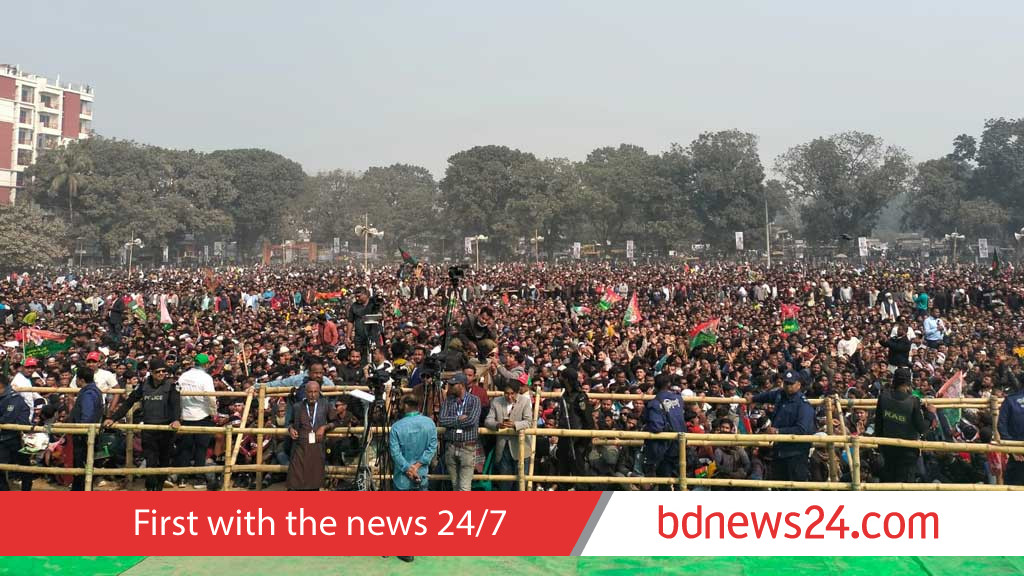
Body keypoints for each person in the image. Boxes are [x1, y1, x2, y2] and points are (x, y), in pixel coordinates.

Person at [105, 357, 181, 491]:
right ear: (151, 372)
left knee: (164, 461)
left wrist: (176, 419)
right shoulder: (144, 386)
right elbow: (129, 402)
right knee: (151, 461)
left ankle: (159, 489)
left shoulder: (171, 386)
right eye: (158, 371)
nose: (161, 374)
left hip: (166, 430)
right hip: (149, 429)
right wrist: (114, 418)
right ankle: (150, 488)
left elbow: (175, 405)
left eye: (164, 371)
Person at [753, 370, 815, 482]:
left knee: (797, 486)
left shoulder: (803, 405)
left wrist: (778, 431)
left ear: (798, 385)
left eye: (791, 383)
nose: (788, 386)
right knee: (779, 485)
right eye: (786, 383)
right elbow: (767, 396)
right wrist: (753, 398)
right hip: (779, 450)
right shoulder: (780, 395)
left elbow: (802, 429)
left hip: (796, 453)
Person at [874, 367, 930, 483]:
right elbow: (922, 428)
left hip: (887, 449)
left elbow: (878, 424)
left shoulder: (883, 397)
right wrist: (930, 415)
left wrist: (880, 446)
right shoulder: (913, 401)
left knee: (889, 484)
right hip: (907, 452)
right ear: (908, 383)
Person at [174, 353, 218, 489]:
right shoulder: (206, 378)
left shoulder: (184, 376)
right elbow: (211, 398)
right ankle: (199, 479)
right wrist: (213, 413)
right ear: (206, 364)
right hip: (202, 415)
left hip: (186, 415)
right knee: (201, 449)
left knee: (185, 449)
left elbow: (177, 393)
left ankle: (182, 478)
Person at [285, 380, 339, 491]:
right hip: (299, 447)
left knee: (313, 482)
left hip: (317, 447)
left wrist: (324, 427)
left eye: (315, 392)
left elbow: (336, 421)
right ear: (305, 392)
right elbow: (289, 422)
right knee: (295, 481)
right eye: (310, 392)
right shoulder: (297, 407)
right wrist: (290, 429)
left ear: (319, 392)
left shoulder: (325, 405)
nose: (313, 395)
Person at [485, 381, 533, 490]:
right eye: (507, 393)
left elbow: (528, 422)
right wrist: (498, 424)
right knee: (505, 484)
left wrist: (515, 425)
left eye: (512, 393)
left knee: (520, 484)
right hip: (502, 447)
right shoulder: (496, 401)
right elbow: (488, 420)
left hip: (521, 448)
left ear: (517, 392)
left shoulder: (525, 401)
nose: (509, 396)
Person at [438, 373, 481, 491]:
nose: (450, 387)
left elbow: (471, 421)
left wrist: (452, 422)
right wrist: (458, 418)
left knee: (464, 487)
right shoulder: (448, 400)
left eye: (453, 385)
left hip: (467, 447)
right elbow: (442, 420)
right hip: (451, 446)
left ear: (461, 385)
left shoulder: (474, 400)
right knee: (455, 485)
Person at [389, 394, 437, 492]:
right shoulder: (430, 423)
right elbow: (432, 448)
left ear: (405, 406)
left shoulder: (396, 427)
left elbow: (395, 453)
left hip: (402, 479)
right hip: (421, 475)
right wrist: (417, 466)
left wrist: (408, 469)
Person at [642, 374, 685, 479]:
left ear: (655, 386)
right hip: (680, 444)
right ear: (669, 384)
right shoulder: (679, 399)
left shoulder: (654, 403)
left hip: (664, 448)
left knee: (665, 482)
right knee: (680, 479)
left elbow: (656, 427)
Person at [69, 367, 103, 491]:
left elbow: (87, 416)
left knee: (81, 468)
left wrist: (80, 431)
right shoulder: (94, 391)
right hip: (87, 434)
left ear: (80, 379)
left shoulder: (88, 393)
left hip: (84, 435)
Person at [0, 375, 31, 491]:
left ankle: (26, 491)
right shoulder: (4, 397)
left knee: (24, 467)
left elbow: (8, 417)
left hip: (17, 437)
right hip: (3, 438)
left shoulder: (15, 398)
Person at [998, 377, 1024, 486]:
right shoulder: (1010, 400)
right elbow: (1002, 426)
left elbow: (1002, 426)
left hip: (1016, 452)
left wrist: (1012, 448)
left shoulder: (1010, 400)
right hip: (1017, 454)